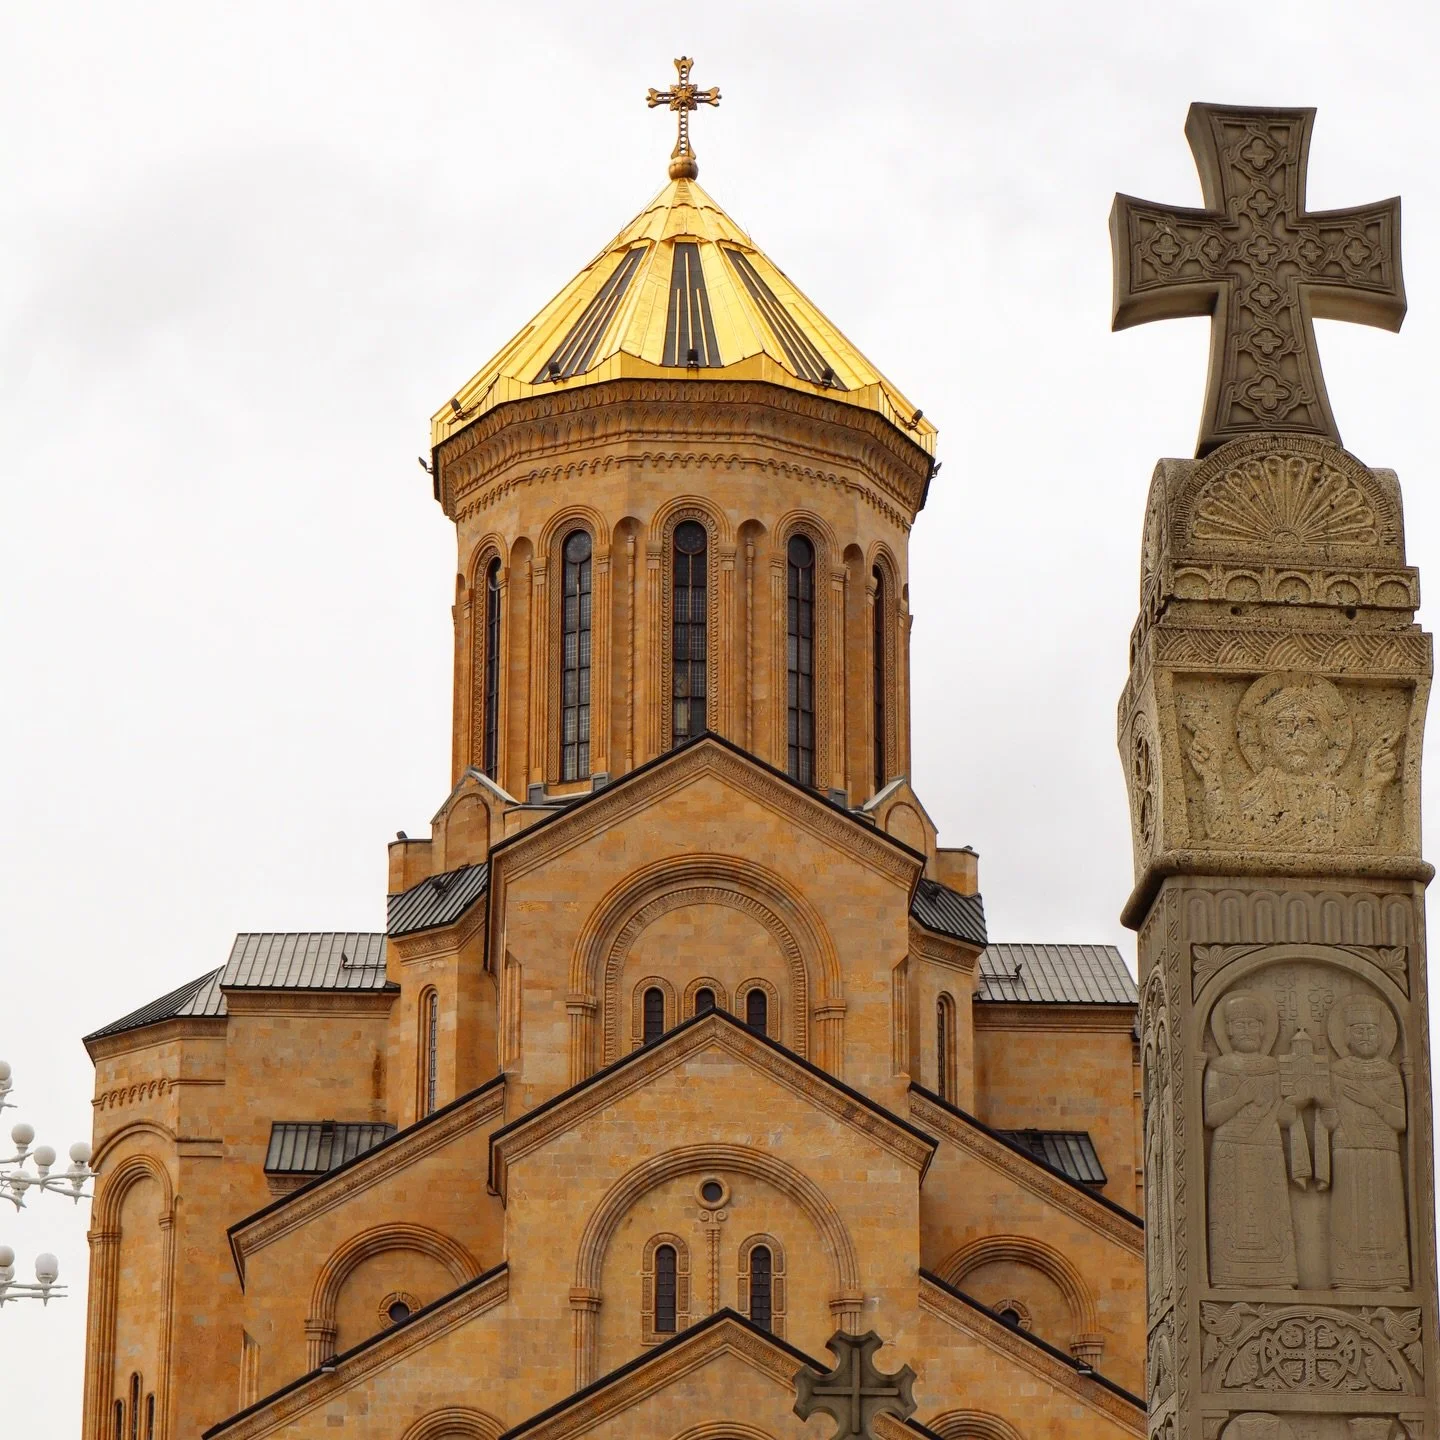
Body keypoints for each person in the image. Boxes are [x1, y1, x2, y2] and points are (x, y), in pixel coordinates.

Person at [1204, 992, 1298, 1287]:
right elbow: (1212, 1116)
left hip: (1267, 1149)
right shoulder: (1220, 1067)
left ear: (1262, 1029)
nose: (1245, 1030)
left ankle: (1278, 1278)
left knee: (1271, 1215)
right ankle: (1230, 1276)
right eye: (1239, 1025)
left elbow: (1284, 1117)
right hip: (1230, 1149)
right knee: (1233, 1215)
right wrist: (1241, 1098)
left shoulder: (1273, 1067)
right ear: (1228, 1030)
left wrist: (1299, 1102)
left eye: (1251, 1024)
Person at [1326, 994, 1408, 1288]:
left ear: (1381, 1035)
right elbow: (1329, 1118)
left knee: (1387, 1216)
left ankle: (1390, 1278)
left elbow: (1400, 1121)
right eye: (1358, 1030)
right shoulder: (1337, 1072)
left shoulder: (1388, 1073)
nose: (1364, 1036)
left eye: (1370, 1030)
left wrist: (1375, 1102)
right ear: (1346, 1036)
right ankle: (1347, 1277)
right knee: (1349, 1214)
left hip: (1384, 1151)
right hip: (1348, 1151)